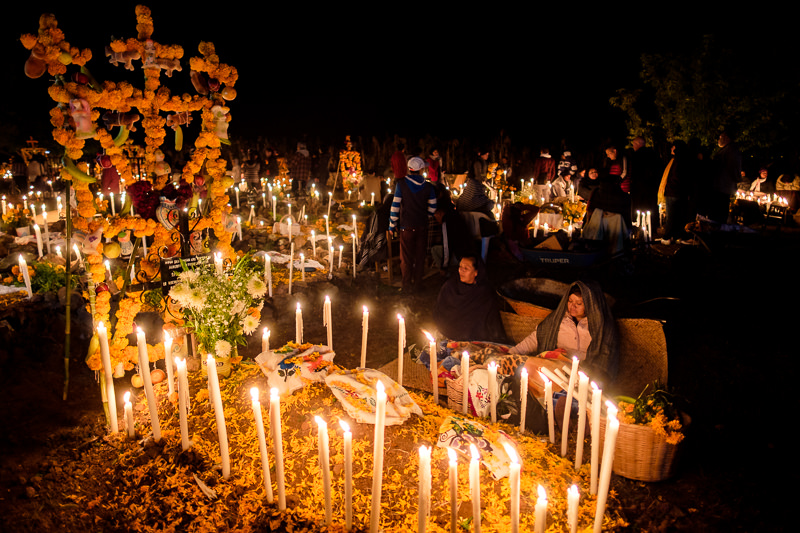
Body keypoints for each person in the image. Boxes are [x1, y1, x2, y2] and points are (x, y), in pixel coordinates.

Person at [512, 280, 619, 387]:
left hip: (586, 377)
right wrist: (513, 352)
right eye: (570, 301)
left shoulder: (602, 327)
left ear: (591, 305)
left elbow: (605, 358)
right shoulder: (558, 320)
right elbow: (536, 338)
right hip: (555, 373)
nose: (573, 306)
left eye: (579, 303)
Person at [388, 157, 437, 293]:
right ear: (421, 169)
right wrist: (427, 216)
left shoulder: (401, 184)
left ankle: (406, 285)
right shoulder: (428, 186)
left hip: (406, 226)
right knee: (420, 255)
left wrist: (392, 225)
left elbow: (395, 206)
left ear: (410, 169)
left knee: (406, 258)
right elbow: (433, 206)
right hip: (422, 225)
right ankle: (418, 284)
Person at [433, 255, 506, 343]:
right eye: (460, 267)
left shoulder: (484, 293)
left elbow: (490, 322)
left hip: (474, 338)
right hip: (447, 334)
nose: (461, 271)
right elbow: (439, 312)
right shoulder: (450, 287)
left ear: (476, 272)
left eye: (466, 268)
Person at [711, 130, 742, 222]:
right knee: (718, 212)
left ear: (727, 138)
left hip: (723, 186)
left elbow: (734, 167)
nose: (718, 140)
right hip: (720, 186)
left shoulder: (731, 150)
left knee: (720, 212)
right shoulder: (727, 150)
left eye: (720, 137)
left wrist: (736, 179)